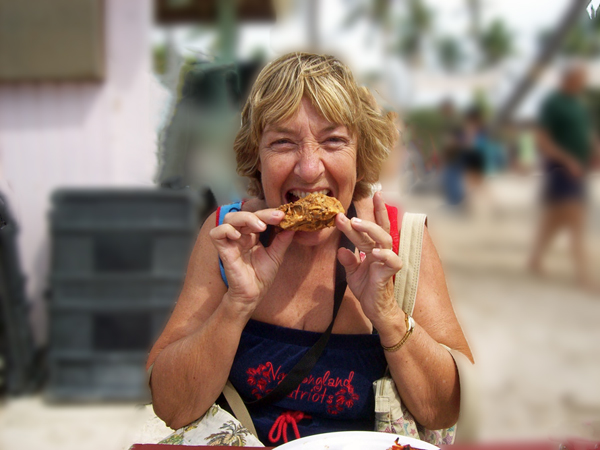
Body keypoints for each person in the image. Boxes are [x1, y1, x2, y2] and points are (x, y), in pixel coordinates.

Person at [146, 52, 473, 446]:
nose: (308, 169)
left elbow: (444, 411)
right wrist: (236, 305)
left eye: (333, 140)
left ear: (359, 153)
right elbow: (172, 407)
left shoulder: (402, 241)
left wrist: (387, 313)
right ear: (257, 158)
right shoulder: (227, 238)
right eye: (282, 142)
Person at [529, 63, 599, 287]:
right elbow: (543, 139)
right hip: (561, 168)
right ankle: (584, 275)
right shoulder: (553, 103)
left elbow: (586, 134)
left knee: (555, 219)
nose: (583, 83)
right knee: (576, 218)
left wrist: (595, 151)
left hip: (578, 168)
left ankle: (535, 259)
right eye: (580, 79)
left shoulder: (578, 105)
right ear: (568, 79)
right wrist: (567, 160)